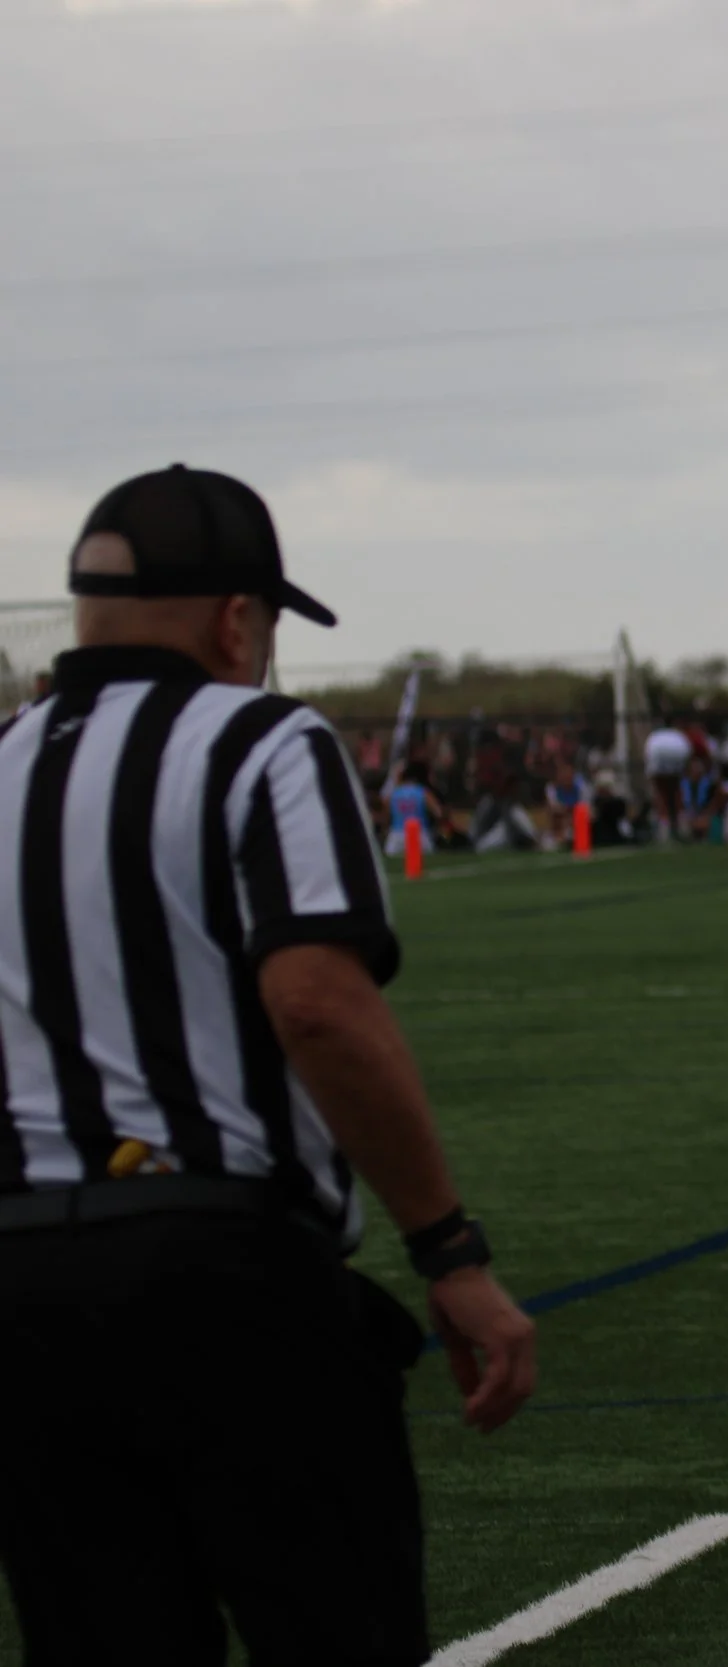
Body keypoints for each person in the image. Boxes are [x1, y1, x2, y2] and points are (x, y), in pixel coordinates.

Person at [0, 465, 536, 1665]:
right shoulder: (260, 737)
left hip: (25, 1286)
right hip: (222, 1272)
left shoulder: (5, 758)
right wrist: (447, 1247)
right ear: (237, 618)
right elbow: (316, 1003)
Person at [384, 756, 447, 858]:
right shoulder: (423, 792)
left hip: (396, 836)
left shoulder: (394, 794)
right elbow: (438, 812)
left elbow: (387, 815)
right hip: (419, 835)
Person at [645, 714, 692, 839]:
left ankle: (664, 830)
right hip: (676, 760)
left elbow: (649, 755)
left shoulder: (655, 736)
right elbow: (688, 753)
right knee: (676, 794)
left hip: (659, 760)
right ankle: (680, 827)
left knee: (662, 795)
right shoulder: (678, 735)